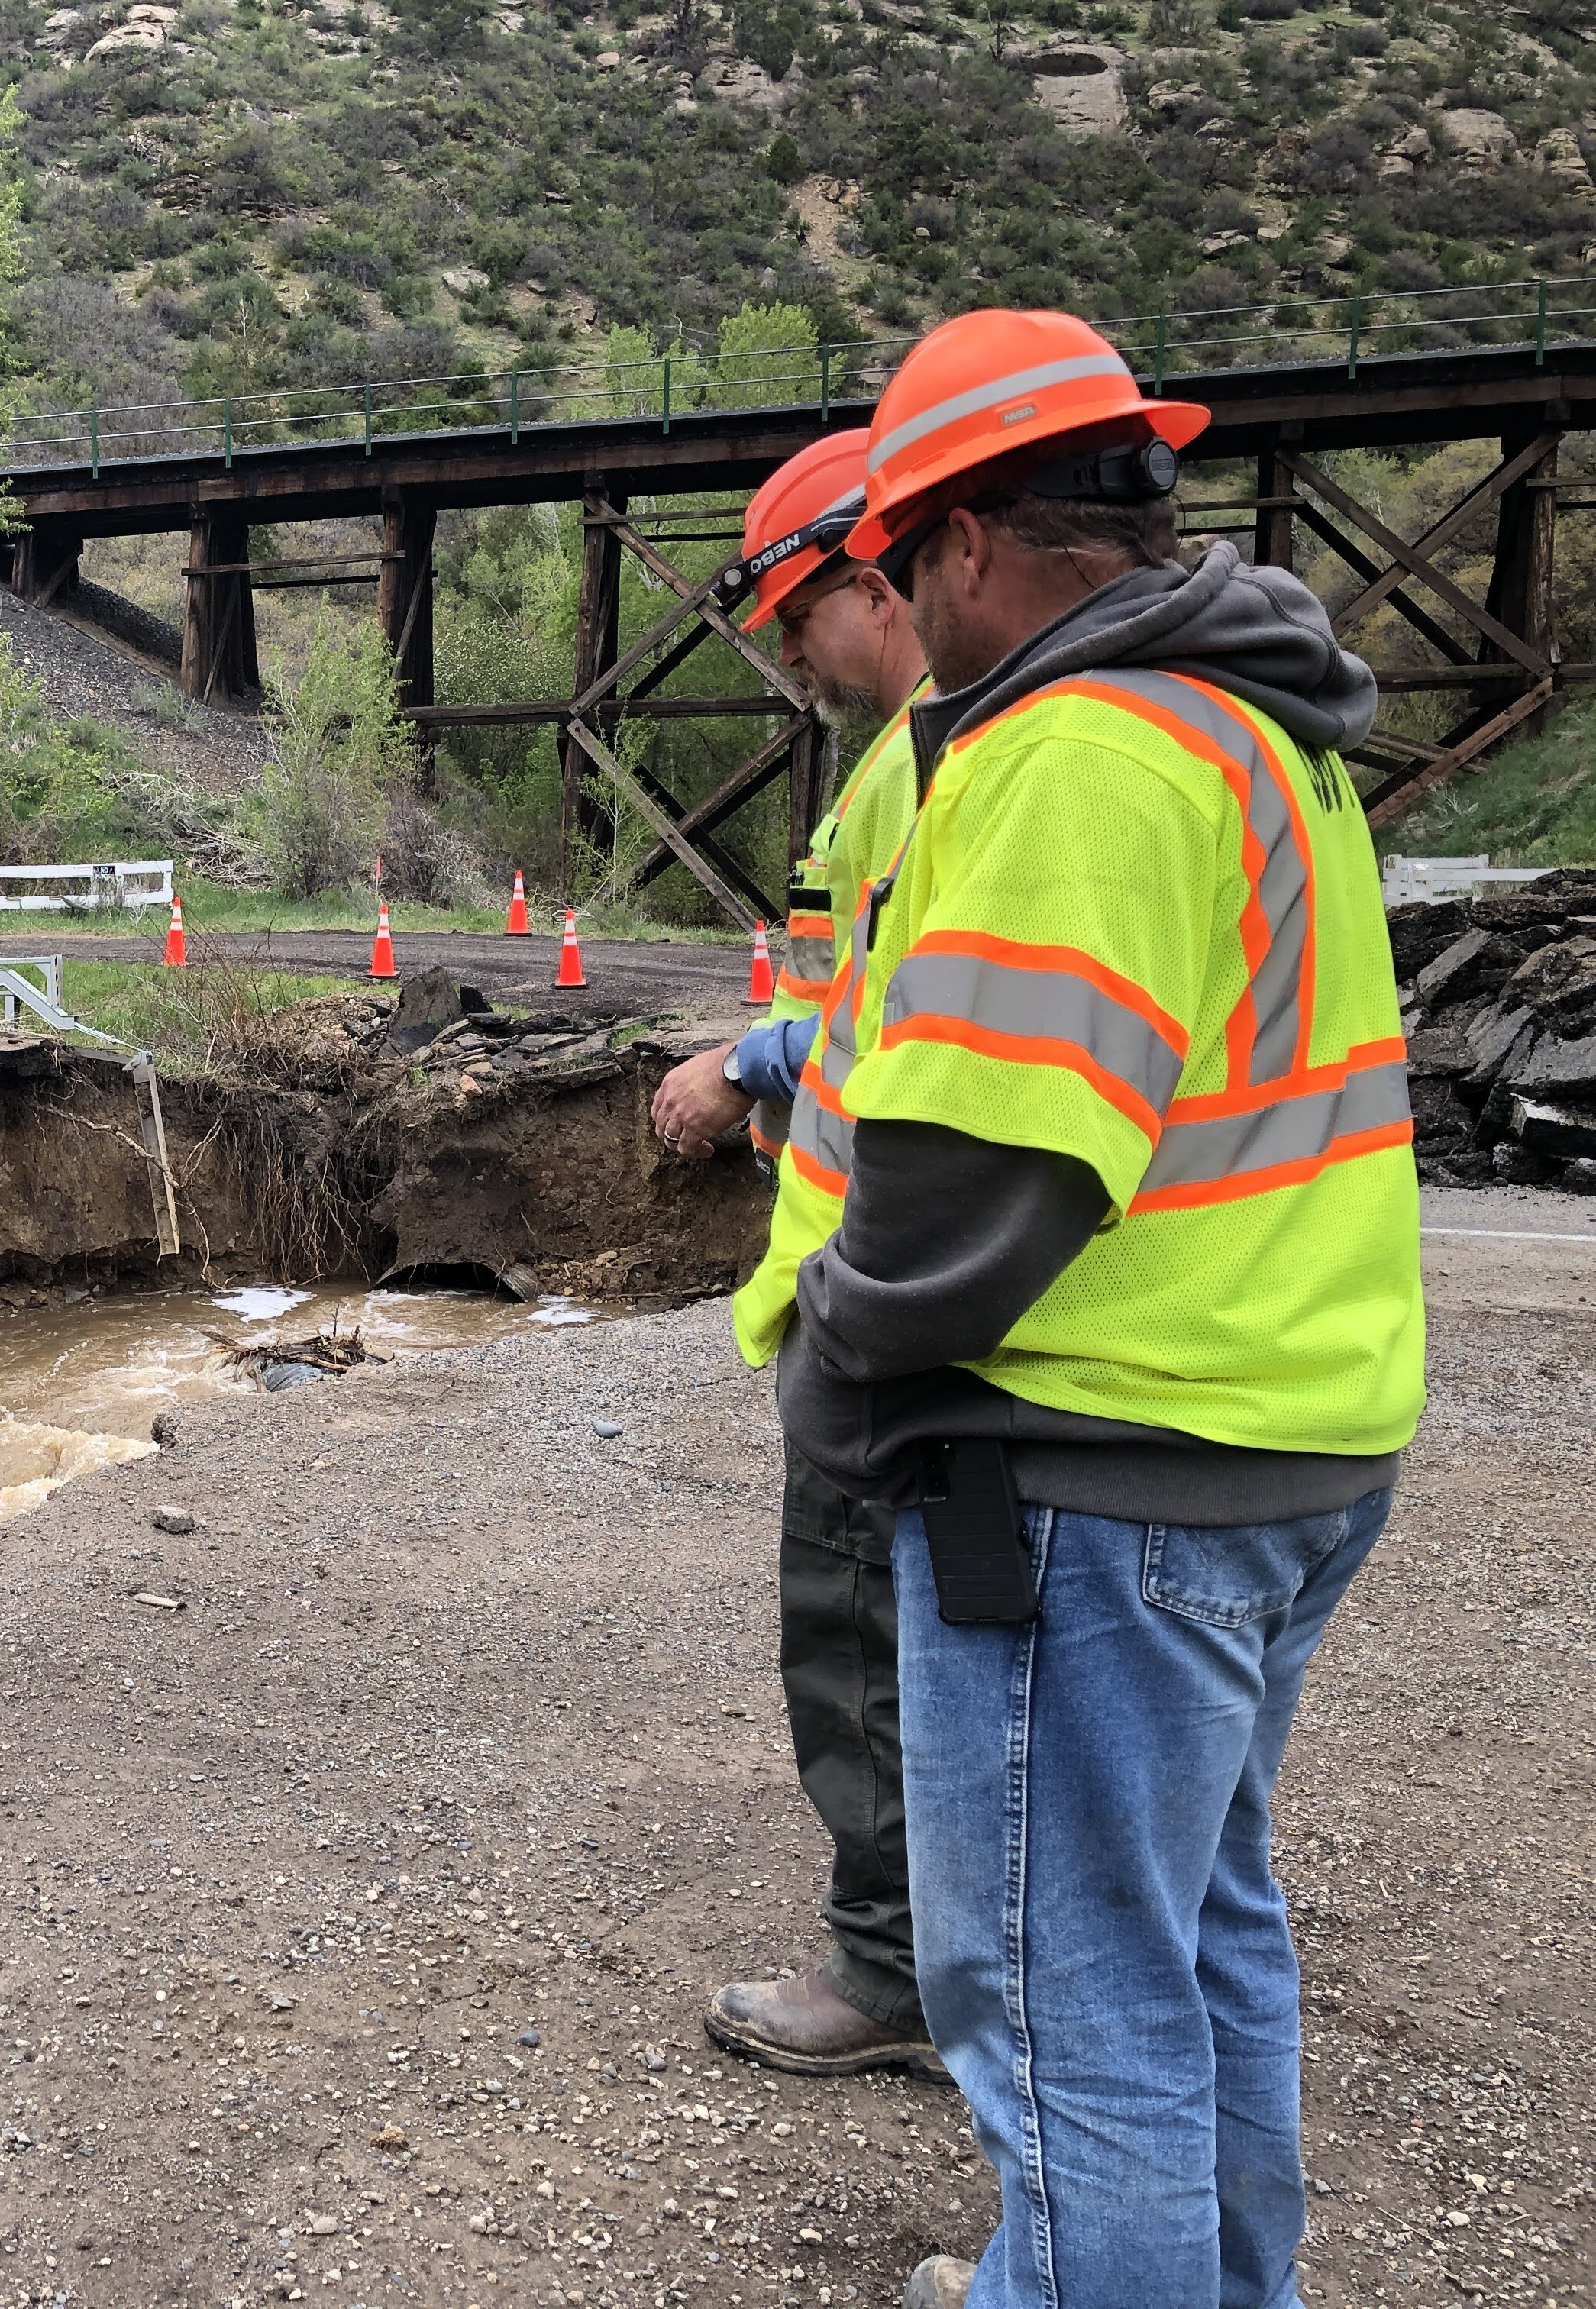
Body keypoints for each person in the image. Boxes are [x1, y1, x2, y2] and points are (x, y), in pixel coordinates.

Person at [732, 307, 1424, 2309]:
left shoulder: (1076, 754)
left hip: (1109, 1479)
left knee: (1055, 2008)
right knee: (1195, 1944)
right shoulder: (1244, 726)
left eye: (893, 562)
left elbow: (974, 1191)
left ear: (957, 547)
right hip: (1287, 1425)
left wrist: (842, 1377)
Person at [648, 430, 945, 2083]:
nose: (783, 657)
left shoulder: (930, 758)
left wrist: (741, 1067)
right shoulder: (960, 745)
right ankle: (952, 1961)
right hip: (882, 1274)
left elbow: (889, 1021)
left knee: (858, 1644)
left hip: (881, 1292)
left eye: (788, 616)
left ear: (882, 575)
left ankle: (897, 1974)